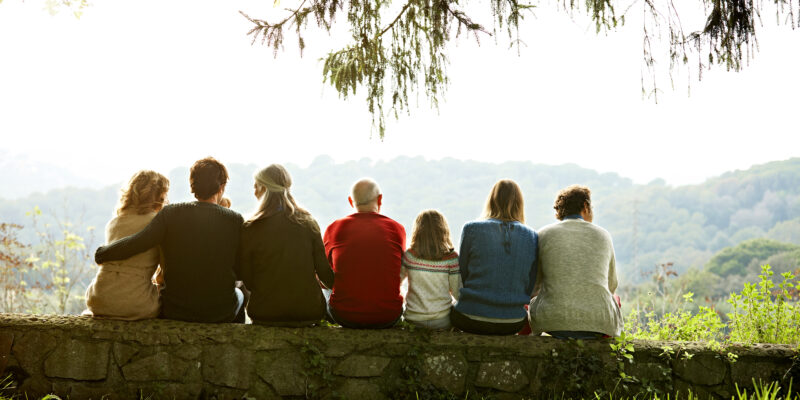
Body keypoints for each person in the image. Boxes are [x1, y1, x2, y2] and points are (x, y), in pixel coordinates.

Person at [94, 157, 246, 323]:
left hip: (174, 310)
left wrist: (102, 253)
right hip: (219, 312)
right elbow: (240, 269)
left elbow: (137, 243)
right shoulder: (235, 220)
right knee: (240, 294)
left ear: (192, 185)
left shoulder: (170, 214)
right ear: (222, 187)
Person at [238, 164, 334, 327]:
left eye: (255, 187)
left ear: (263, 188)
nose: (254, 192)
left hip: (265, 312)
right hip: (308, 311)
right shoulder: (308, 222)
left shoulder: (250, 227)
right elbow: (324, 273)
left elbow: (247, 278)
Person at [529, 185, 623, 339]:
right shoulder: (603, 235)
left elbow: (535, 285)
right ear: (585, 206)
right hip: (598, 324)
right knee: (615, 299)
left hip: (552, 323)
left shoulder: (543, 234)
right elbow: (611, 284)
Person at [451, 179, 537, 335]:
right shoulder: (531, 236)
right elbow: (530, 284)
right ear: (519, 203)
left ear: (491, 200)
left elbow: (462, 272)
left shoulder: (471, 229)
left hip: (470, 317)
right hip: (513, 321)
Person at [84, 170, 169, 320]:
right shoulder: (157, 223)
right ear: (159, 196)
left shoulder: (114, 223)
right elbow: (165, 270)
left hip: (98, 298)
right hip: (135, 303)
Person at [323, 178, 406, 329]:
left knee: (327, 285)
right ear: (380, 199)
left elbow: (323, 276)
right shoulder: (396, 229)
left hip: (344, 316)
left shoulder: (334, 229)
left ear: (350, 201)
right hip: (388, 315)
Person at [401, 209, 461, 330]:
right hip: (442, 321)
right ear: (443, 231)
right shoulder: (451, 258)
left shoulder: (410, 256)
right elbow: (457, 293)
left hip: (413, 319)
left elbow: (396, 283)